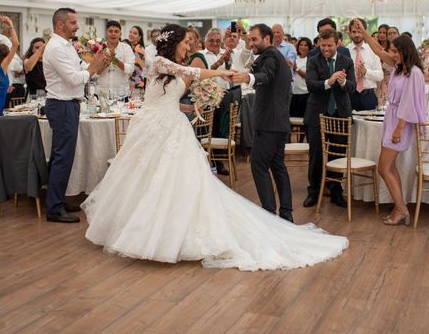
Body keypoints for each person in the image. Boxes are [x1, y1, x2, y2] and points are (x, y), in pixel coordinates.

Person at [80, 24, 348, 271]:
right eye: (185, 42)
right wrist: (222, 72)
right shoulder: (160, 61)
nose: (188, 47)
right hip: (152, 127)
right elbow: (193, 73)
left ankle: (169, 234)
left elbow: (170, 101)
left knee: (177, 182)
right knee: (144, 178)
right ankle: (138, 231)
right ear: (173, 42)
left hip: (171, 125)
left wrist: (192, 106)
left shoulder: (173, 66)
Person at [352, 19, 427, 226]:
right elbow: (377, 50)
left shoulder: (414, 73)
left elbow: (410, 102)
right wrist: (365, 32)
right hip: (393, 117)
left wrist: (399, 128)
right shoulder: (399, 67)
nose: (392, 55)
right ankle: (399, 207)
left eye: (396, 51)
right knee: (390, 167)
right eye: (392, 51)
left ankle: (401, 209)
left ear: (406, 51)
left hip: (400, 122)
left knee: (383, 168)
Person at [43, 8, 111, 223]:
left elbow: (84, 68)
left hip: (69, 105)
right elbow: (74, 78)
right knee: (62, 157)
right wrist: (92, 68)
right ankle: (53, 208)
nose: (77, 26)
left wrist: (98, 64)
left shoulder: (67, 46)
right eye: (73, 23)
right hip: (61, 105)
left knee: (63, 156)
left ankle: (57, 200)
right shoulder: (55, 48)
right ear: (60, 25)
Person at [231, 24, 294, 222]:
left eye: (254, 39)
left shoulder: (271, 56)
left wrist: (248, 77)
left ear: (267, 39)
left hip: (268, 124)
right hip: (280, 123)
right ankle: (286, 215)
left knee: (258, 166)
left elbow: (265, 76)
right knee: (278, 167)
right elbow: (255, 66)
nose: (251, 43)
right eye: (249, 39)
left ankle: (269, 214)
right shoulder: (270, 56)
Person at [302, 29, 356, 209]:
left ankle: (335, 191)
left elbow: (352, 87)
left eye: (329, 45)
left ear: (337, 44)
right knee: (316, 155)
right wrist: (329, 81)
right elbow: (310, 85)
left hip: (340, 114)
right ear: (318, 43)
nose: (325, 48)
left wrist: (342, 82)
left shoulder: (347, 61)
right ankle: (314, 191)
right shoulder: (313, 61)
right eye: (323, 45)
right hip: (318, 114)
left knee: (338, 154)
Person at [348, 18, 383, 111]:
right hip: (350, 96)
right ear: (350, 32)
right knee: (350, 125)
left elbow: (380, 76)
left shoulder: (373, 50)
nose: (357, 35)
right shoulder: (345, 51)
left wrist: (366, 72)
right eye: (354, 32)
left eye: (359, 31)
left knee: (369, 125)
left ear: (364, 32)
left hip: (369, 95)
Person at [96, 20, 134, 98]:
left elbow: (130, 69)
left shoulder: (126, 48)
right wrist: (106, 63)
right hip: (102, 94)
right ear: (106, 33)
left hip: (121, 94)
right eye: (110, 31)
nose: (113, 33)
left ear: (120, 34)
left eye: (116, 31)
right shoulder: (99, 48)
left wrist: (114, 59)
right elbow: (96, 72)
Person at [290, 37, 312, 118]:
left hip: (304, 93)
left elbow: (308, 76)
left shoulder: (310, 60)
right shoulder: (295, 58)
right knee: (293, 118)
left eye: (306, 45)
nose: (303, 47)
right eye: (301, 45)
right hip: (293, 92)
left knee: (302, 118)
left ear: (309, 47)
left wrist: (296, 68)